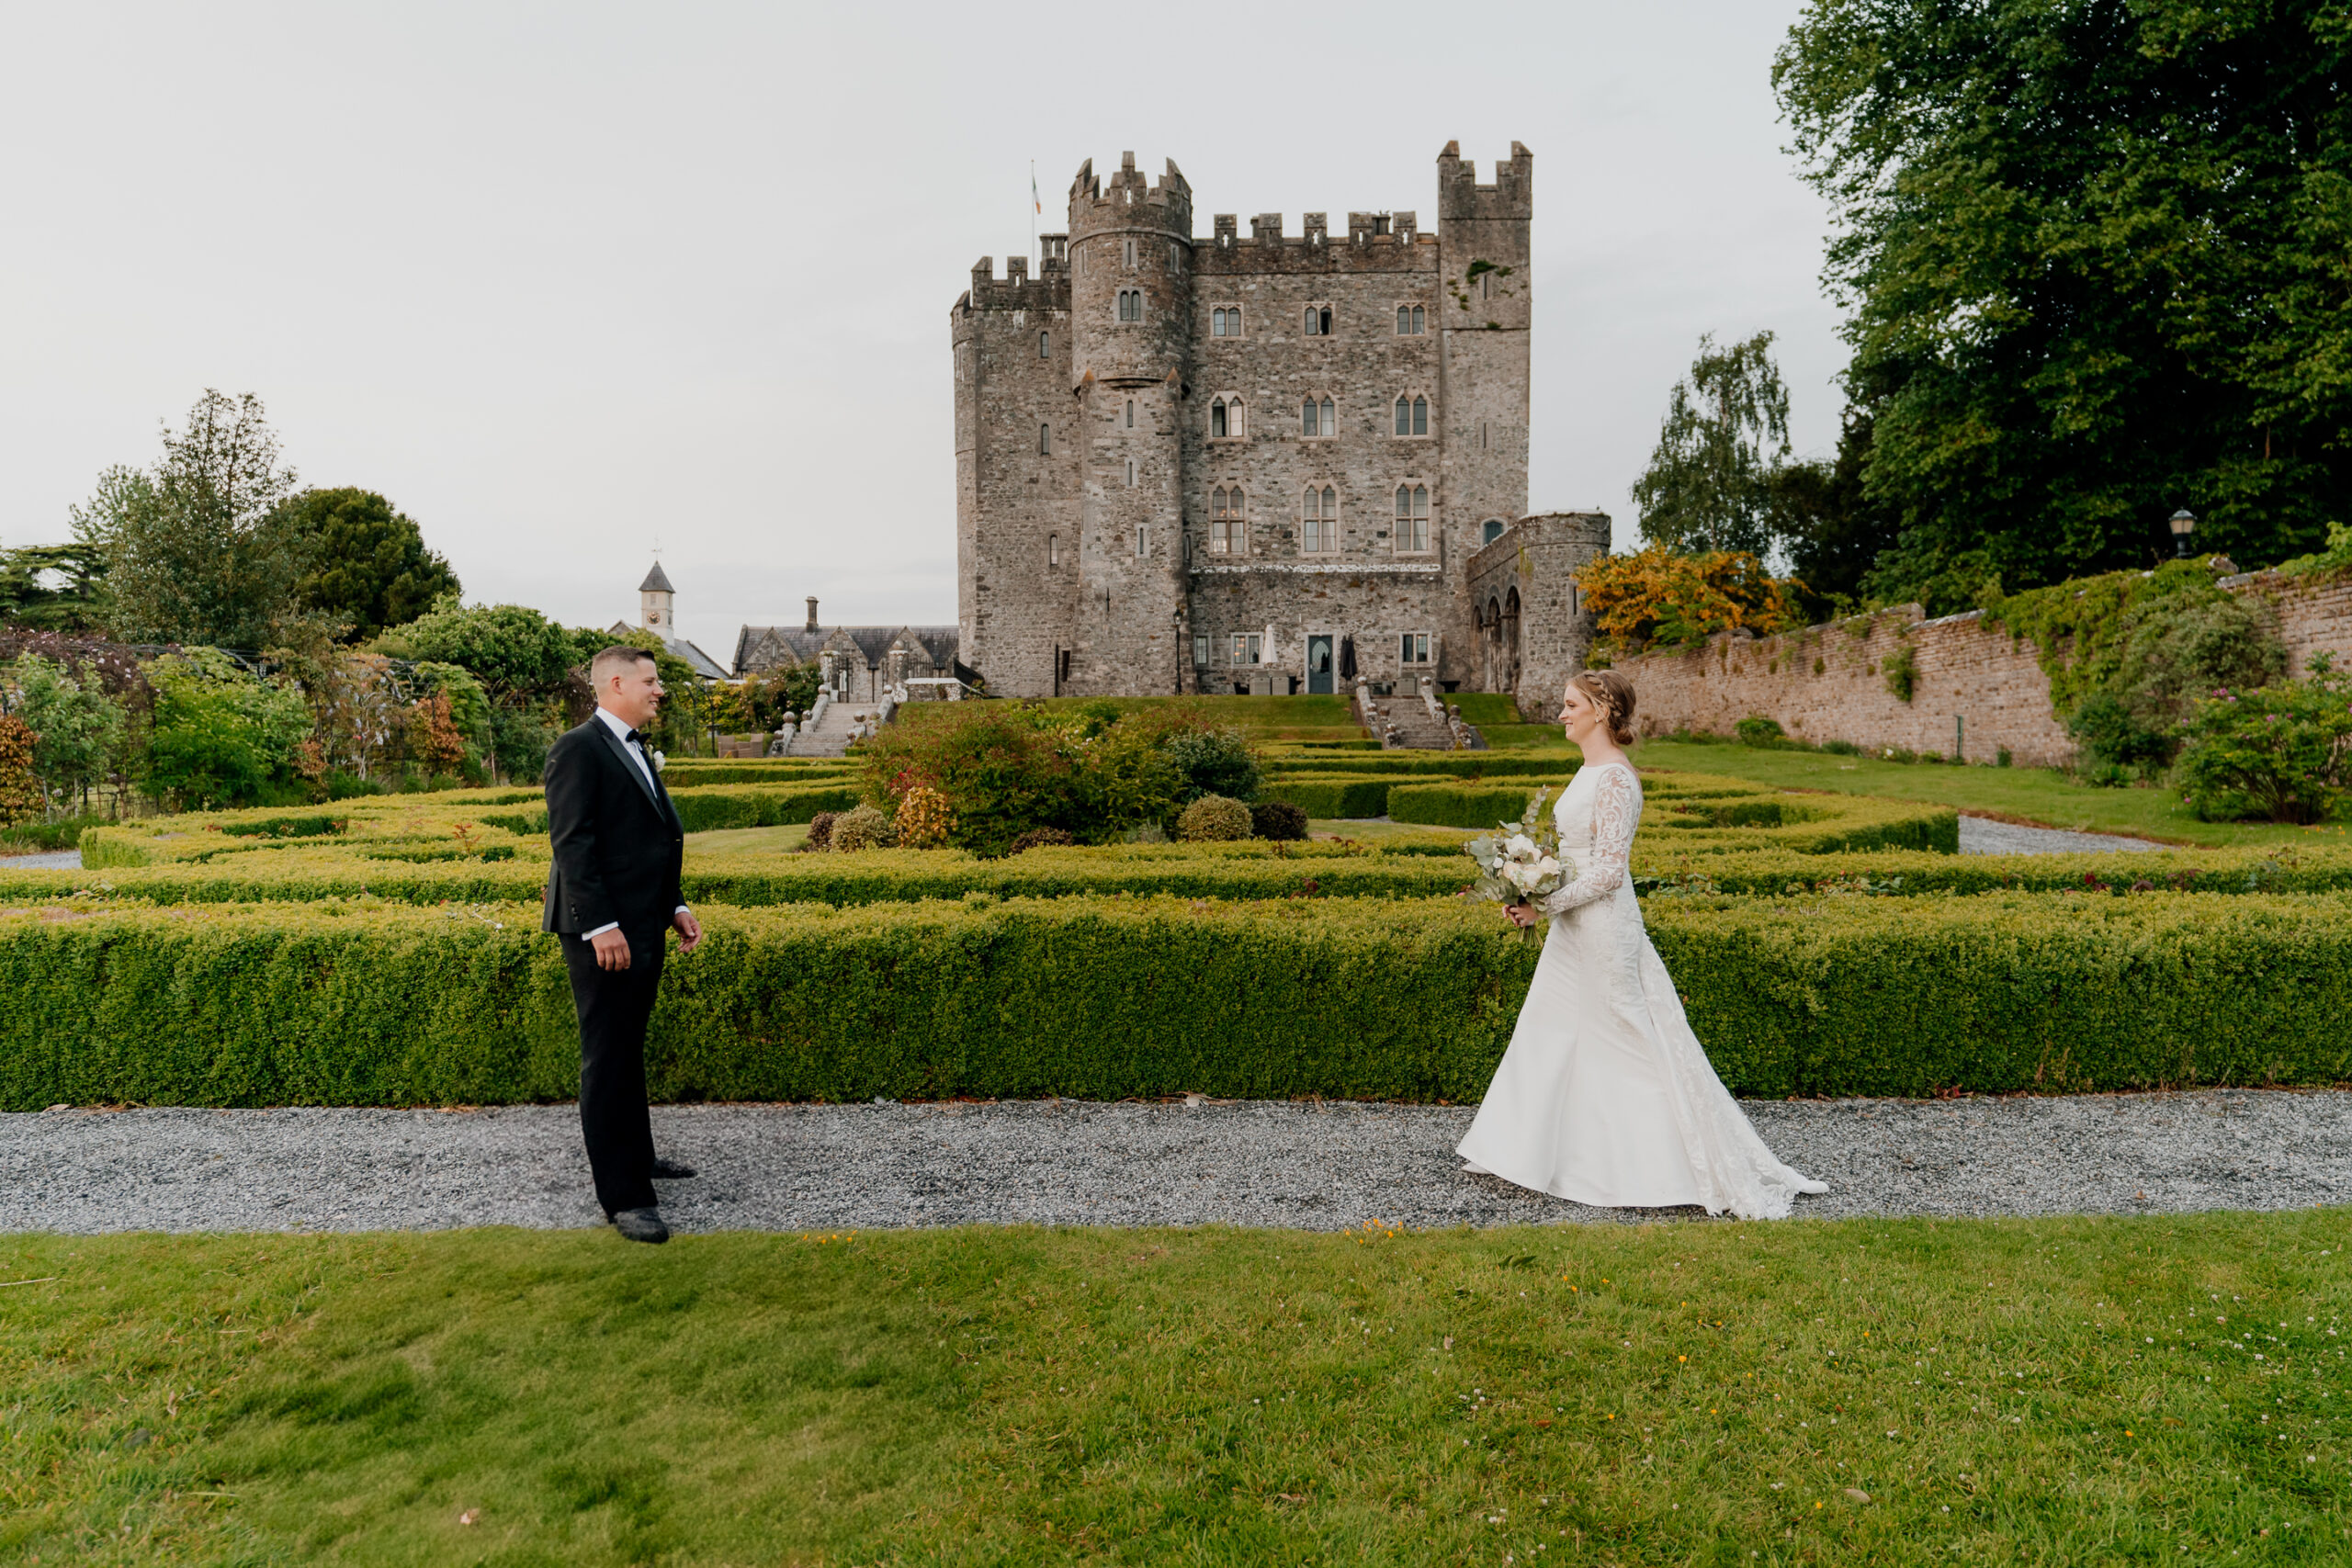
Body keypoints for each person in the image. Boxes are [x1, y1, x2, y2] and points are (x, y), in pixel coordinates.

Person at [1456, 670, 1826, 1219]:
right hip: (1573, 925)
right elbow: (1578, 858)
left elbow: (1608, 874)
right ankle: (1524, 1150)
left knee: (1626, 1039)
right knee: (1549, 1030)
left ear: (1602, 710)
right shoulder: (1588, 772)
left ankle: (1660, 1166)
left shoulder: (1615, 781)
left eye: (1570, 705)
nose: (1561, 714)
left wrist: (1544, 903)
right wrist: (1533, 880)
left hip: (1603, 927)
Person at [543, 645, 706, 1244]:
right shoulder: (578, 748)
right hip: (603, 932)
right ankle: (625, 1197)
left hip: (642, 923)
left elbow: (654, 837)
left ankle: (637, 1158)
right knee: (607, 1056)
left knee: (627, 1048)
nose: (659, 689)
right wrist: (600, 925)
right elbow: (574, 845)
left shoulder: (632, 746)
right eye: (651, 680)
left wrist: (676, 904)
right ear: (616, 682)